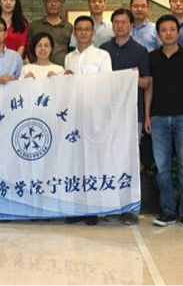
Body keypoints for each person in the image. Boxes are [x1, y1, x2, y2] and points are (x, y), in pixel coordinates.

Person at [144, 14, 183, 231]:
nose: (168, 33)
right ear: (158, 34)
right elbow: (149, 87)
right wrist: (147, 115)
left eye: (172, 29)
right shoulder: (151, 57)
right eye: (163, 30)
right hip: (158, 118)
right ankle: (167, 211)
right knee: (162, 168)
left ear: (178, 32)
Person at [100, 8, 150, 224]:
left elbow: (146, 82)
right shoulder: (103, 50)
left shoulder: (140, 50)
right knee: (108, 159)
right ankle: (110, 205)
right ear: (112, 25)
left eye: (124, 22)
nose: (120, 26)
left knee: (130, 160)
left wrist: (130, 78)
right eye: (116, 22)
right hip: (107, 115)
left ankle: (130, 208)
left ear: (131, 25)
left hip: (132, 114)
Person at [63, 15, 112, 227]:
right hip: (73, 115)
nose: (83, 32)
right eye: (79, 29)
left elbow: (106, 84)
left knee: (93, 162)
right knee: (75, 162)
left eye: (86, 29)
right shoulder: (68, 58)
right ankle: (77, 208)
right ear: (74, 33)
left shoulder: (102, 56)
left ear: (93, 32)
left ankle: (93, 208)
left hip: (94, 115)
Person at [28, 0, 73, 66]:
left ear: (62, 4)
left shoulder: (69, 27)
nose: (53, 4)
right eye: (50, 1)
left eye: (57, 1)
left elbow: (72, 51)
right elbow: (28, 49)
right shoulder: (34, 26)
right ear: (44, 3)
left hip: (62, 70)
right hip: (38, 69)